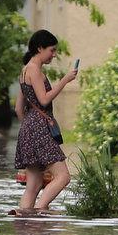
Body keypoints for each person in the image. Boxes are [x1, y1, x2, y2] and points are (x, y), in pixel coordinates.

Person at [13, 30, 77, 214]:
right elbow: (44, 100)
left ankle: (24, 219)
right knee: (63, 176)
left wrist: (28, 128)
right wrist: (65, 80)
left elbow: (18, 108)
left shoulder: (24, 71)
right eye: (52, 50)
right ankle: (40, 211)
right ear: (39, 48)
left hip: (27, 127)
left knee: (33, 185)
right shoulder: (35, 71)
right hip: (40, 127)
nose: (54, 54)